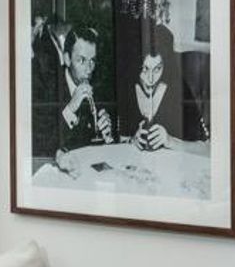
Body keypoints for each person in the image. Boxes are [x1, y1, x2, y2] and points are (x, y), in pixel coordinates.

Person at [115, 21, 186, 150]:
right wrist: (132, 141)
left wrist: (171, 141)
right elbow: (118, 142)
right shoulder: (127, 90)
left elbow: (209, 147)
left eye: (157, 69)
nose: (151, 79)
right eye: (145, 69)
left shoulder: (178, 90)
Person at [55, 26, 114, 172]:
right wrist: (70, 109)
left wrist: (107, 136)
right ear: (67, 59)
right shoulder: (49, 87)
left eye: (92, 61)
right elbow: (41, 142)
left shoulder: (98, 86)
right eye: (81, 60)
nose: (89, 69)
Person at [30, 11, 71, 161]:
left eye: (40, 23)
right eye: (36, 25)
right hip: (46, 109)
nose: (37, 28)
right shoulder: (44, 45)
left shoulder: (51, 41)